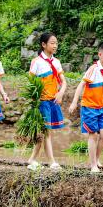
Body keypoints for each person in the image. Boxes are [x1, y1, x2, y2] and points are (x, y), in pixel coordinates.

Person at [69, 42, 103, 173]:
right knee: (93, 135)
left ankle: (96, 159)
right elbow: (81, 85)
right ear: (100, 55)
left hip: (102, 108)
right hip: (89, 107)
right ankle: (93, 165)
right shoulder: (93, 69)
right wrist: (74, 102)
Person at [28, 32, 67, 171]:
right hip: (42, 102)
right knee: (46, 132)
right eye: (52, 43)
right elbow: (31, 84)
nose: (55, 45)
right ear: (43, 45)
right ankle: (51, 162)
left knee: (45, 132)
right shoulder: (36, 62)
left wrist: (60, 93)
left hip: (53, 101)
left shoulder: (56, 62)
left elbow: (63, 82)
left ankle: (33, 159)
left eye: (56, 43)